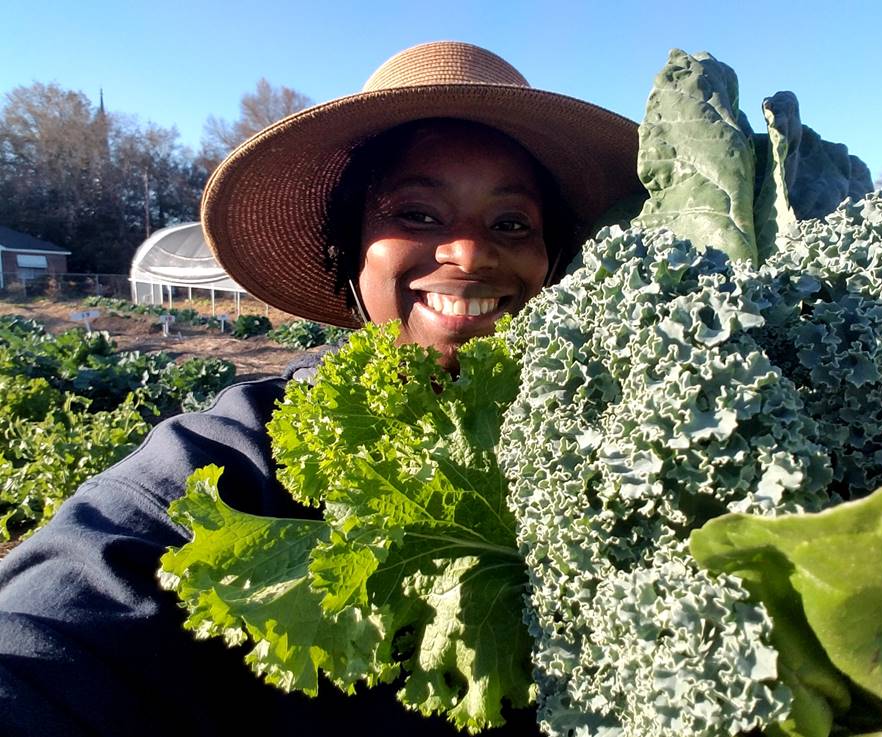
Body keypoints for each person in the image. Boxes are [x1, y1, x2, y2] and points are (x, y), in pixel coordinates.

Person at [0, 41, 641, 736]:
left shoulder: (630, 457)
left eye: (511, 223)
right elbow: (51, 632)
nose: (468, 251)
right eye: (418, 214)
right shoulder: (238, 461)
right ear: (349, 247)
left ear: (552, 263)